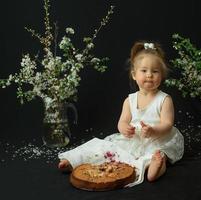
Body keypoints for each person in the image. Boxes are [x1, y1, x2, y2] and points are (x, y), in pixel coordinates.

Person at [58, 41, 184, 186]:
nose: (149, 75)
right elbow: (122, 122)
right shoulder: (129, 100)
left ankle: (155, 167)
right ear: (134, 75)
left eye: (155, 71)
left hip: (157, 139)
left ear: (161, 75)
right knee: (104, 147)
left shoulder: (164, 99)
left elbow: (167, 124)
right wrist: (124, 128)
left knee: (157, 154)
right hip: (135, 139)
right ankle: (74, 160)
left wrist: (153, 130)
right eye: (144, 71)